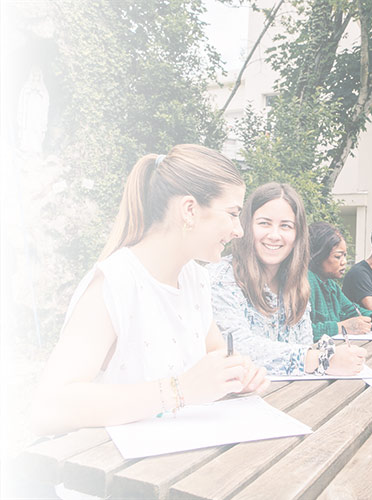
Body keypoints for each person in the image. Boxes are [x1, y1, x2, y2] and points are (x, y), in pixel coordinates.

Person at [30, 145, 269, 436]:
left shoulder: (195, 279)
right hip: (113, 472)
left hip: (182, 460)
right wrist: (179, 390)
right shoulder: (114, 283)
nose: (239, 230)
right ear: (190, 210)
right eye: (233, 213)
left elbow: (218, 354)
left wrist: (238, 376)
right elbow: (49, 407)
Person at [208, 183, 366, 376]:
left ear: (297, 234)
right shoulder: (220, 277)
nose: (274, 235)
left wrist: (333, 353)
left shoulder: (297, 285)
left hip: (288, 396)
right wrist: (322, 359)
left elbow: (304, 342)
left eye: (286, 226)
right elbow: (234, 347)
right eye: (264, 223)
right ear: (246, 227)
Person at [308, 222, 372, 342]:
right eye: (338, 257)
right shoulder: (306, 283)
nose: (344, 262)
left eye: (344, 256)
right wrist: (341, 327)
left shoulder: (331, 285)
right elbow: (300, 331)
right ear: (318, 256)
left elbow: (351, 310)